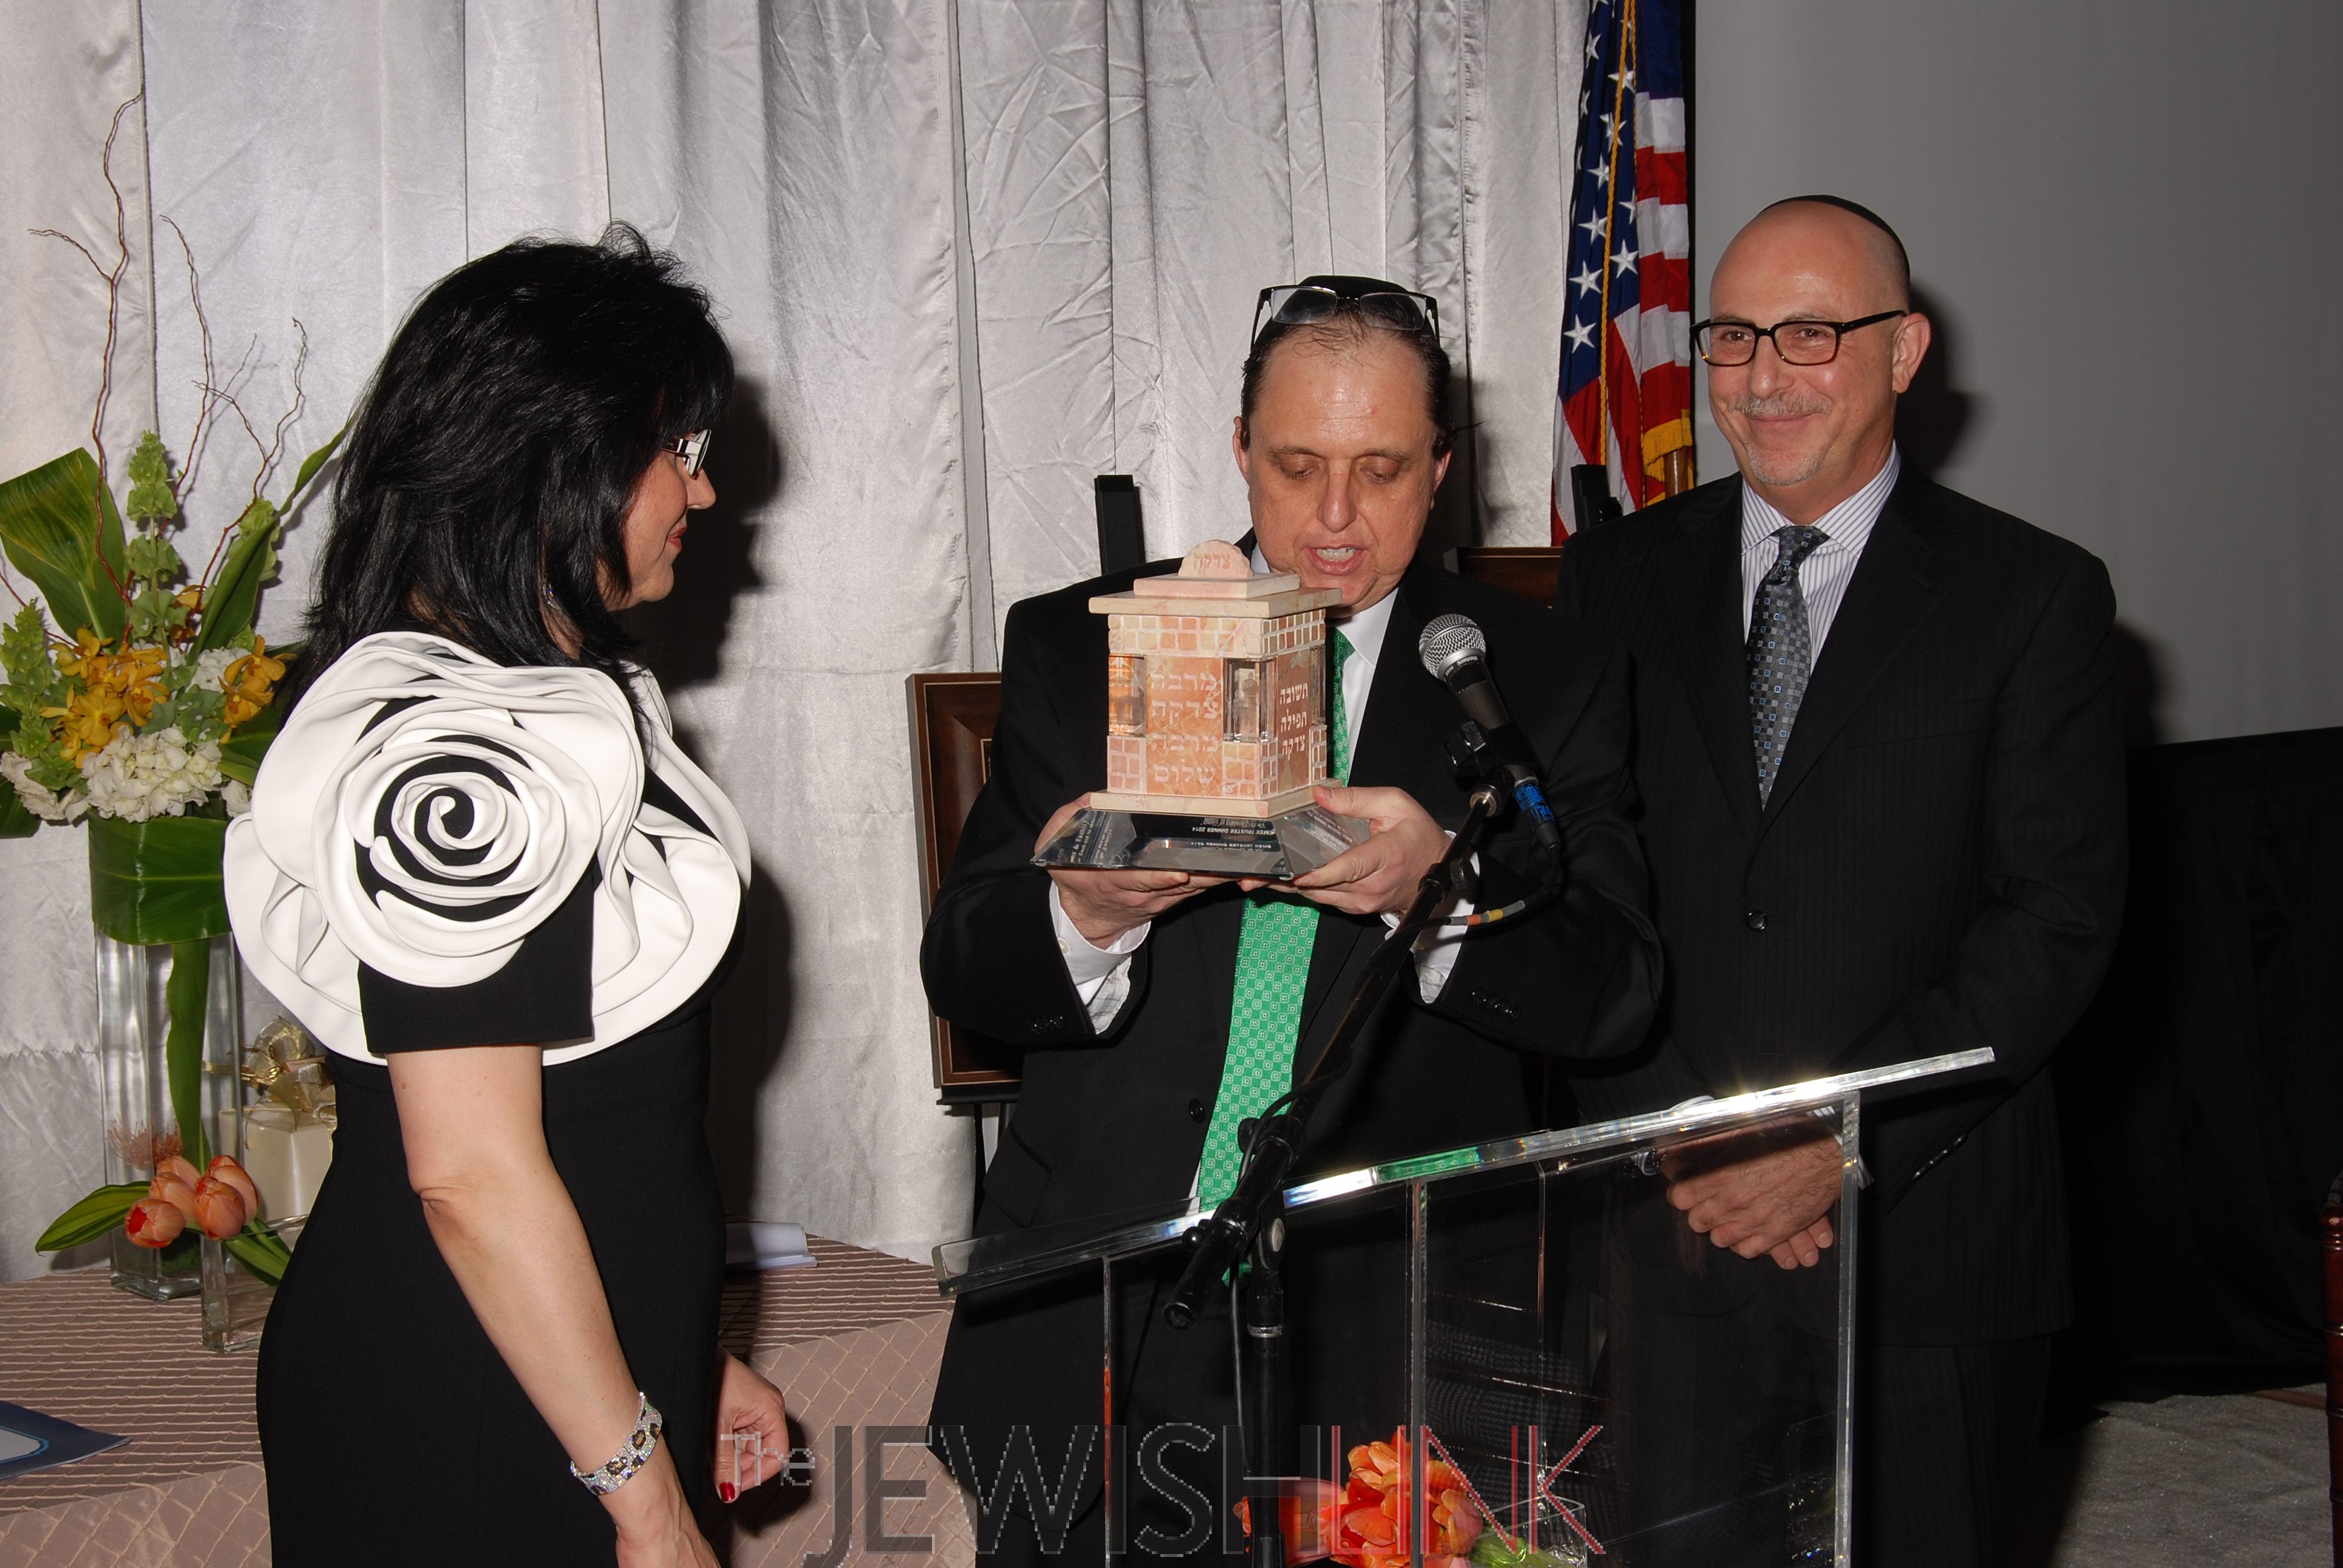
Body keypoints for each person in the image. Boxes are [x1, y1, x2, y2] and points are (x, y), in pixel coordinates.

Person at [923, 275, 1663, 1564]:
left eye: (1382, 470)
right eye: (1297, 465)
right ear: (1238, 451)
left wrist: (1443, 900)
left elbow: (1618, 996)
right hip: (1101, 1287)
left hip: (1394, 1310)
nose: (1333, 517)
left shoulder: (1539, 677)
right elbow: (967, 965)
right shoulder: (1088, 645)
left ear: (1442, 467)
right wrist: (1083, 915)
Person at [1553, 197, 2126, 1566]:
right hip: (1675, 1219)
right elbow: (1578, 886)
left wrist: (1835, 1139)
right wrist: (1686, 1138)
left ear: (1905, 351)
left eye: (1811, 333)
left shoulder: (2034, 595)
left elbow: (2052, 922)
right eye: (1735, 335)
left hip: (1932, 1230)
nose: (1765, 376)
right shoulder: (1613, 579)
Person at [223, 229, 788, 1568]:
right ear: (555, 462)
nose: (702, 491)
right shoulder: (456, 758)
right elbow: (470, 1172)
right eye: (678, 450)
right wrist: (646, 1500)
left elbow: (599, 1118)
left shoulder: (527, 703)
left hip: (548, 1382)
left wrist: (677, 1360)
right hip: (469, 1413)